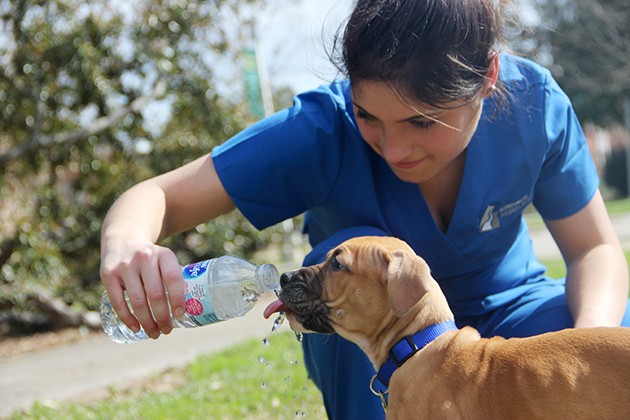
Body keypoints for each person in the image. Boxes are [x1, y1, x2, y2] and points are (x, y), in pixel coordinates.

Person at [100, 0, 630, 418]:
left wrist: (588, 350)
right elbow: (158, 197)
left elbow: (593, 248)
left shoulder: (533, 105)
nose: (394, 149)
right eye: (368, 116)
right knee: (342, 280)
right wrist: (127, 247)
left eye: (421, 122)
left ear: (488, 79)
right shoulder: (321, 129)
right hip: (372, 340)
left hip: (510, 313)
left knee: (613, 335)